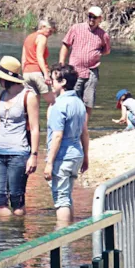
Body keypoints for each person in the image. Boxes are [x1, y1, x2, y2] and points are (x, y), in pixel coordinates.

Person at [0, 56, 40, 217]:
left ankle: (17, 237)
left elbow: (35, 129)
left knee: (17, 201)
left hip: (19, 153)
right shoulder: (1, 95)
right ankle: (2, 240)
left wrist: (33, 156)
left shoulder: (29, 96)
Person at [44, 64, 90, 223]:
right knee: (67, 196)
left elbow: (57, 136)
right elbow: (84, 132)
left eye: (53, 79)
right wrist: (85, 157)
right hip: (76, 155)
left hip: (62, 157)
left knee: (61, 199)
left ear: (63, 82)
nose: (50, 82)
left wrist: (49, 162)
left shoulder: (59, 105)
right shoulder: (79, 103)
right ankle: (69, 235)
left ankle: (62, 238)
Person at [59, 6, 111, 116]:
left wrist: (95, 54)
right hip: (75, 70)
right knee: (73, 99)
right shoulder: (76, 28)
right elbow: (65, 45)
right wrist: (61, 64)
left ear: (100, 19)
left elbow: (106, 51)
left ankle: (84, 129)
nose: (91, 19)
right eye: (90, 16)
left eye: (94, 17)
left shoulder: (104, 35)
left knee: (88, 101)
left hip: (92, 71)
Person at [22, 19, 57, 105]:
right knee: (53, 102)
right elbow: (39, 56)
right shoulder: (42, 38)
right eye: (50, 31)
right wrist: (46, 74)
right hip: (38, 72)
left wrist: (24, 72)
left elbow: (23, 58)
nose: (50, 34)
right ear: (42, 27)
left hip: (27, 73)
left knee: (32, 104)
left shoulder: (28, 37)